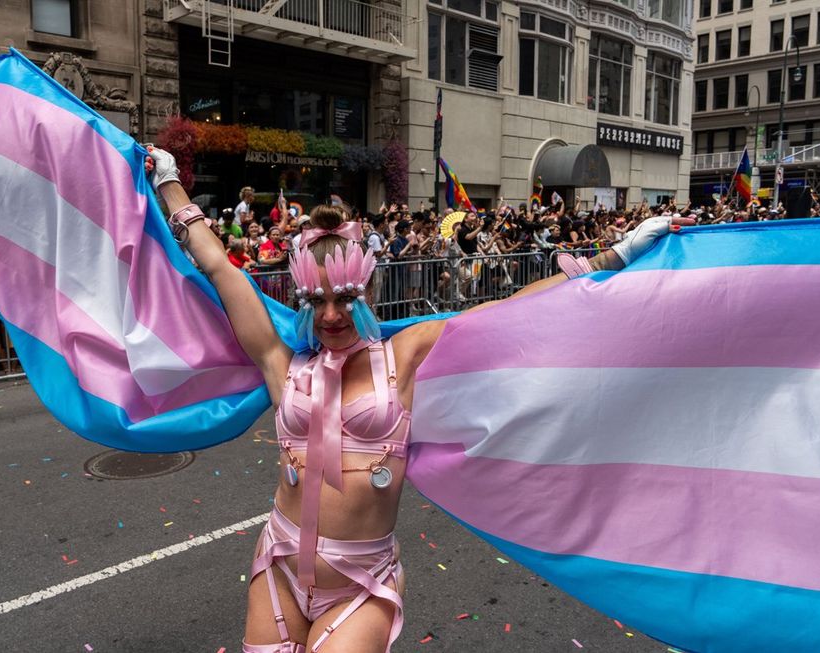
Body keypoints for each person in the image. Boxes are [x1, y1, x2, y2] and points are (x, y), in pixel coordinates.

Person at [146, 145, 691, 652]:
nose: (332, 314)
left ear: (366, 292)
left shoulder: (403, 357)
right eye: (317, 300)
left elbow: (505, 314)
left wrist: (614, 256)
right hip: (278, 568)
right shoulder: (283, 364)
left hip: (360, 586)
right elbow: (218, 267)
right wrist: (169, 181)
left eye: (345, 297)